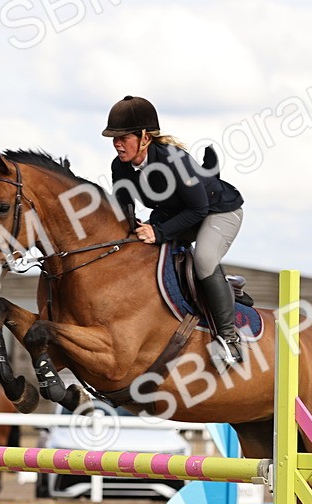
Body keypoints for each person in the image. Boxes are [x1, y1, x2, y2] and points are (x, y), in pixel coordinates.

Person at [103, 95, 246, 364]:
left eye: (123, 137)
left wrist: (158, 233)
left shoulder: (174, 160)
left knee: (204, 260)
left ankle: (229, 338)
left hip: (218, 212)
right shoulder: (119, 166)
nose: (117, 144)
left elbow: (198, 210)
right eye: (114, 138)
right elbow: (124, 210)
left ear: (145, 137)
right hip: (179, 212)